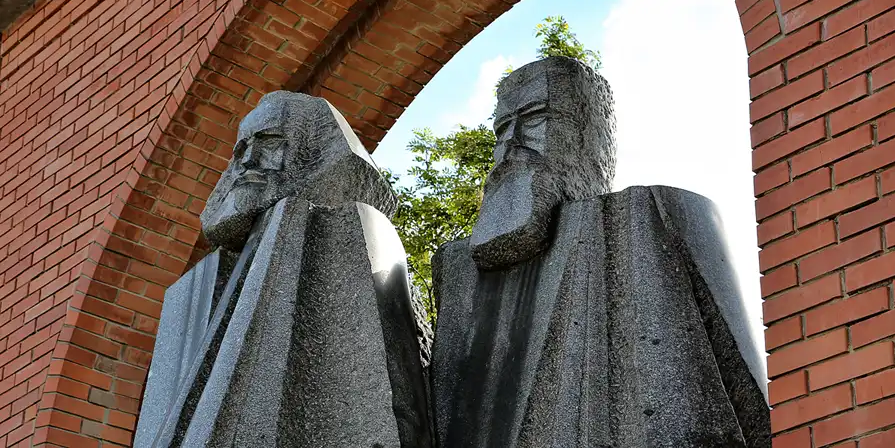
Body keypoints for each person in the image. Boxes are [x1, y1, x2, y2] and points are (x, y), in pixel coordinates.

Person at [430, 57, 770, 447]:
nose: (511, 144)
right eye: (503, 129)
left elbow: (747, 412)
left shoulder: (653, 213)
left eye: (536, 118)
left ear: (588, 136)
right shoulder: (454, 270)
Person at [135, 92, 433, 448]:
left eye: (269, 142)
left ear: (315, 148)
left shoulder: (354, 230)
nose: (248, 160)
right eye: (240, 149)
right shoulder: (215, 275)